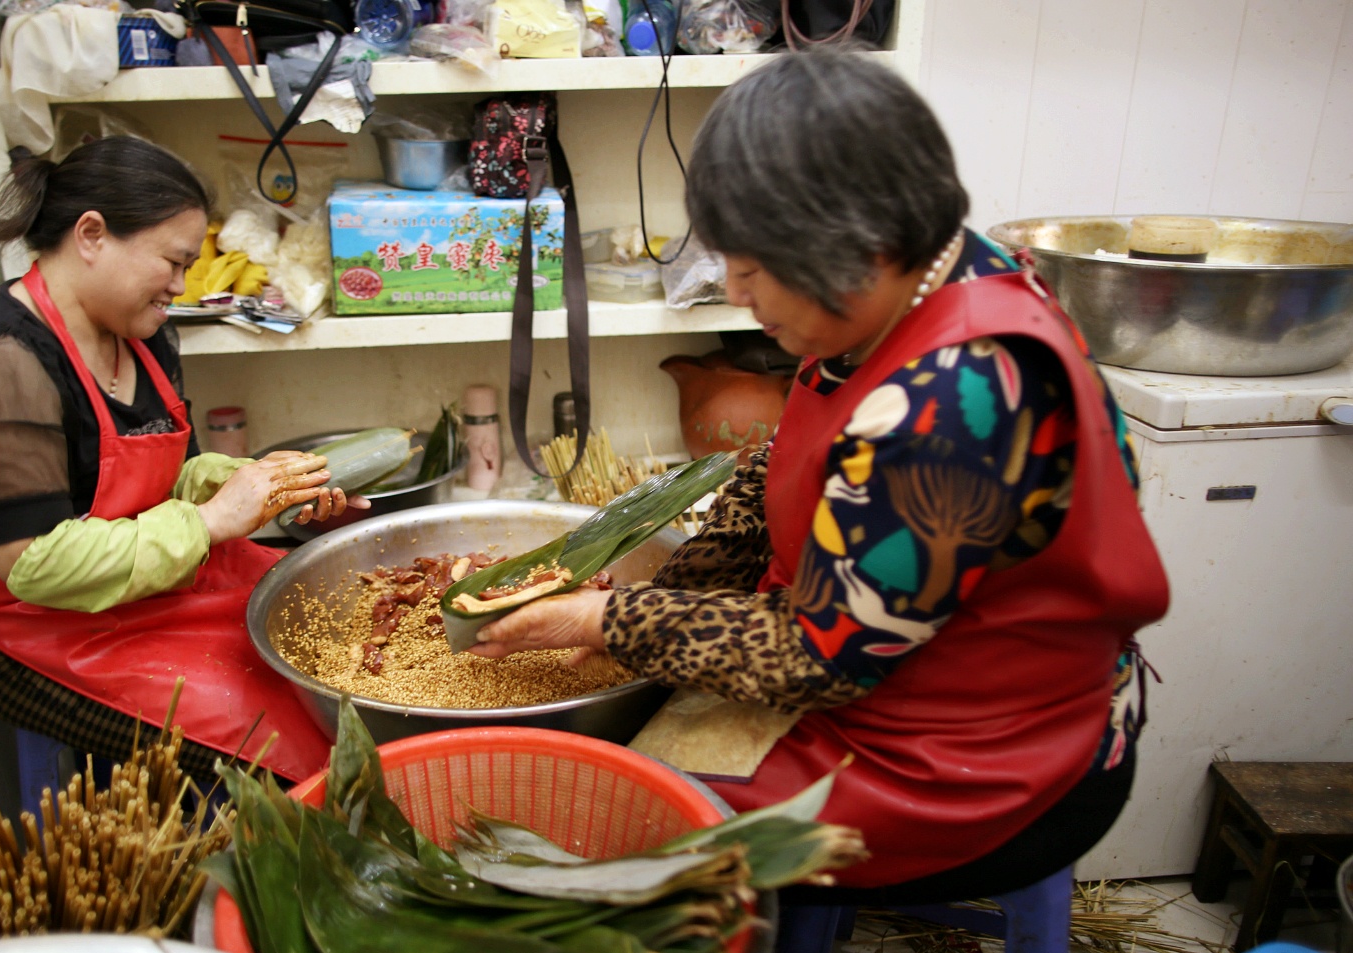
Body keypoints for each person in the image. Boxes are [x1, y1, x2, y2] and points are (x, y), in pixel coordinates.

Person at [468, 50, 1170, 902]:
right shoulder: (915, 285)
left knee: (596, 811)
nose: (734, 291)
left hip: (980, 759)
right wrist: (665, 588)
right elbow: (786, 467)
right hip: (909, 678)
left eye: (754, 268)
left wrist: (611, 619)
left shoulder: (953, 398)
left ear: (858, 247)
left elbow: (822, 658)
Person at [0, 136, 364, 783]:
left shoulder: (141, 332)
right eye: (173, 263)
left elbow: (171, 474)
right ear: (91, 235)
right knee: (292, 739)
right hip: (43, 633)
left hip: (160, 587)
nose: (179, 288)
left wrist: (267, 487)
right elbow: (32, 566)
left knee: (351, 632)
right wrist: (210, 523)